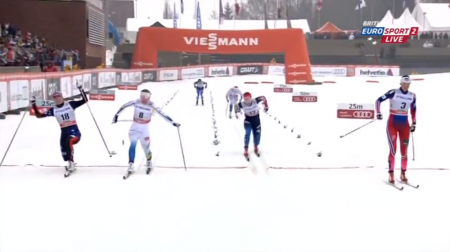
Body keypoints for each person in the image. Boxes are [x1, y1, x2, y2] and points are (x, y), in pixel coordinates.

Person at [112, 89, 181, 174]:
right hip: (134, 127)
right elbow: (124, 106)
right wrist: (116, 115)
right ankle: (131, 164)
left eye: (146, 97)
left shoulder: (152, 105)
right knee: (132, 145)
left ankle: (149, 161)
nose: (144, 99)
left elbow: (162, 114)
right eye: (143, 97)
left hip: (144, 129)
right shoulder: (136, 102)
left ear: (149, 97)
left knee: (146, 148)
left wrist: (172, 122)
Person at [30, 82, 87, 172]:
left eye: (59, 96)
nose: (57, 99)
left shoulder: (70, 104)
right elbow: (38, 115)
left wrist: (81, 89)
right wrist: (33, 104)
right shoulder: (54, 110)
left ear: (62, 97)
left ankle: (72, 164)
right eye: (55, 97)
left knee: (70, 141)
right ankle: (69, 161)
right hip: (63, 132)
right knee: (64, 152)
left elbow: (84, 100)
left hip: (74, 131)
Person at [375, 75, 416, 184]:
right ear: (401, 83)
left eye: (408, 84)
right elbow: (378, 100)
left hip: (405, 125)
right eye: (405, 83)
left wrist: (414, 123)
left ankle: (403, 172)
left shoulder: (412, 96)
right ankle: (391, 173)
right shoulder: (393, 92)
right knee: (393, 150)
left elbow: (413, 110)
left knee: (404, 151)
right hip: (392, 124)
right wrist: (378, 112)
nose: (406, 86)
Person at [237, 92, 269, 158]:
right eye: (245, 99)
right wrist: (237, 111)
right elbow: (236, 106)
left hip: (256, 120)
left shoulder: (255, 100)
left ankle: (256, 146)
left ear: (251, 98)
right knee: (247, 133)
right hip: (248, 120)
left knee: (257, 134)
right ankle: (246, 148)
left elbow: (263, 97)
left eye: (248, 99)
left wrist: (266, 106)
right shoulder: (242, 104)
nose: (247, 100)